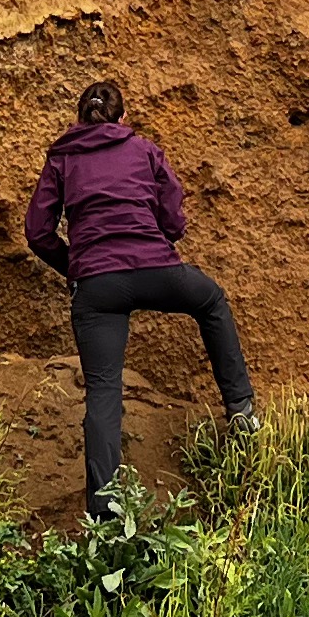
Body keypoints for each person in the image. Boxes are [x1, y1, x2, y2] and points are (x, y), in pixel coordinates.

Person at [22, 77, 257, 513]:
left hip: (97, 287)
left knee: (103, 390)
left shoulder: (62, 158)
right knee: (210, 301)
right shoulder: (145, 149)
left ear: (78, 119)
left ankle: (103, 514)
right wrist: (160, 239)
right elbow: (173, 212)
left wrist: (76, 265)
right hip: (156, 269)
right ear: (123, 118)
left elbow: (38, 233)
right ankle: (241, 408)